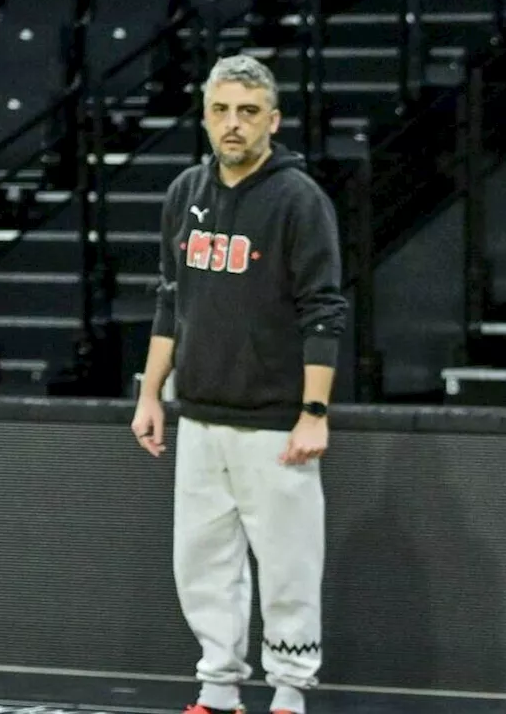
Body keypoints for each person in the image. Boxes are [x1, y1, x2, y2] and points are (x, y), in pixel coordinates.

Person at [130, 54, 348, 714]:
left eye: (248, 112)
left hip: (275, 420)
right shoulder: (183, 194)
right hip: (197, 415)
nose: (233, 124)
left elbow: (324, 308)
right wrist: (149, 393)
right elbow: (173, 301)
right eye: (221, 110)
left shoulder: (299, 200)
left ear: (272, 121)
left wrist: (314, 409)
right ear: (203, 116)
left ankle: (288, 694)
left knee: (287, 566)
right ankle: (217, 690)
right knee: (201, 564)